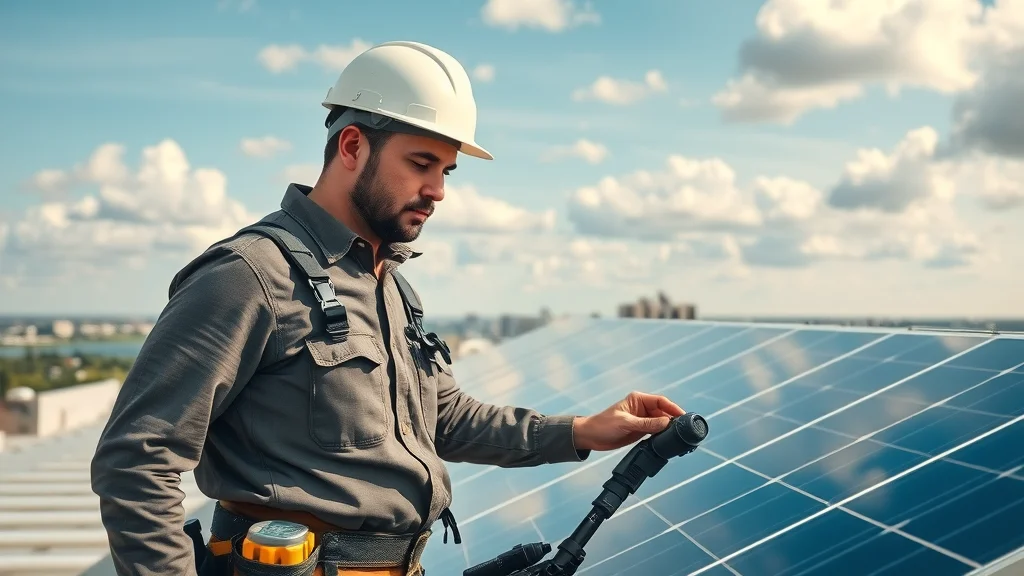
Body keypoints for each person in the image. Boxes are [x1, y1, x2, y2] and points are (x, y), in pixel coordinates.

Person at [90, 40, 686, 576]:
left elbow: (443, 419)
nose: (438, 191)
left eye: (446, 171)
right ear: (353, 146)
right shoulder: (249, 275)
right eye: (421, 164)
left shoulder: (392, 287)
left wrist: (581, 432)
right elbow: (137, 459)